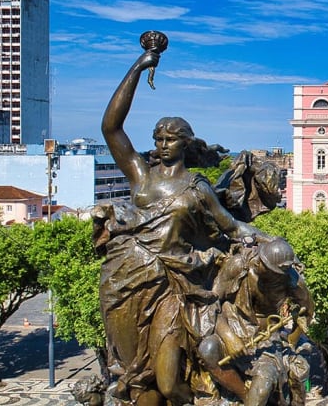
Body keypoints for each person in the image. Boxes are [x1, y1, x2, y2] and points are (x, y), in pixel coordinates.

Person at [94, 49, 272, 406]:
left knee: (168, 380)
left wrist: (269, 241)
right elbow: (110, 127)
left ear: (185, 143)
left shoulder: (197, 188)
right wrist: (139, 67)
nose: (162, 145)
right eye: (158, 138)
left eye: (170, 139)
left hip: (172, 286)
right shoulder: (141, 176)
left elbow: (232, 227)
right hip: (122, 282)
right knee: (138, 380)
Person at [198, 238, 314, 406]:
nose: (258, 263)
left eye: (265, 266)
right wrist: (229, 336)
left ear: (279, 273)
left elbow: (307, 309)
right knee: (208, 350)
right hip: (232, 324)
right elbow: (212, 302)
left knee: (262, 386)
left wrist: (291, 341)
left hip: (265, 339)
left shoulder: (291, 280)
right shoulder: (239, 264)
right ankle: (244, 396)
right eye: (260, 259)